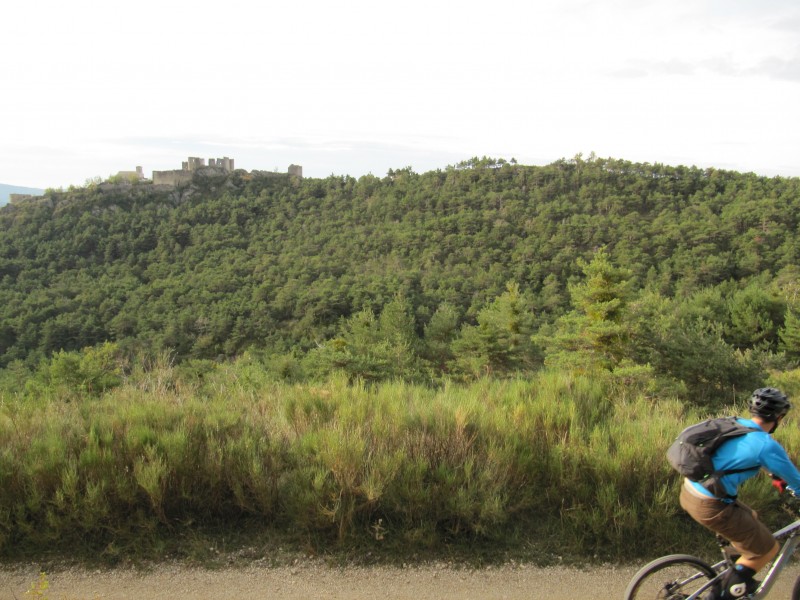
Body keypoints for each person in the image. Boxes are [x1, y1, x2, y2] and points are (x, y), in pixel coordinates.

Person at [680, 387, 800, 599]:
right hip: (711, 505)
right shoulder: (766, 445)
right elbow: (797, 482)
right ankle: (727, 592)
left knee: (750, 517)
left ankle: (737, 575)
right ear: (779, 417)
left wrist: (774, 476)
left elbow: (734, 457)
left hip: (691, 491)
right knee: (767, 550)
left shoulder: (736, 423)